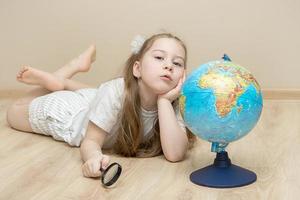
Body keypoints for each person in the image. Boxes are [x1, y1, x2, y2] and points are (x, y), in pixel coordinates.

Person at [6, 33, 195, 178]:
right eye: (159, 58)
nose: (169, 66)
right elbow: (91, 141)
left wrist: (163, 102)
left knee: (100, 93)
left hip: (96, 99)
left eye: (177, 63)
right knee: (14, 112)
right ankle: (64, 75)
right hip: (72, 115)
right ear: (137, 69)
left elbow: (175, 154)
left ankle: (61, 81)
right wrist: (93, 157)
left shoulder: (173, 102)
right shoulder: (115, 92)